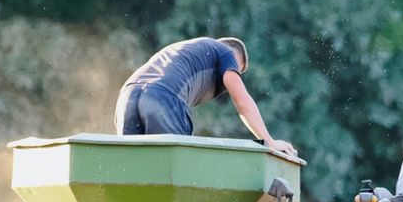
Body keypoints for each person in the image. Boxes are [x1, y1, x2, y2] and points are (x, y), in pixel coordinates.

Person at [114, 36, 297, 156]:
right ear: (236, 58)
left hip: (127, 97)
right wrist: (269, 142)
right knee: (179, 172)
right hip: (164, 98)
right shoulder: (226, 52)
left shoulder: (185, 49)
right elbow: (242, 101)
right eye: (237, 70)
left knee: (130, 168)